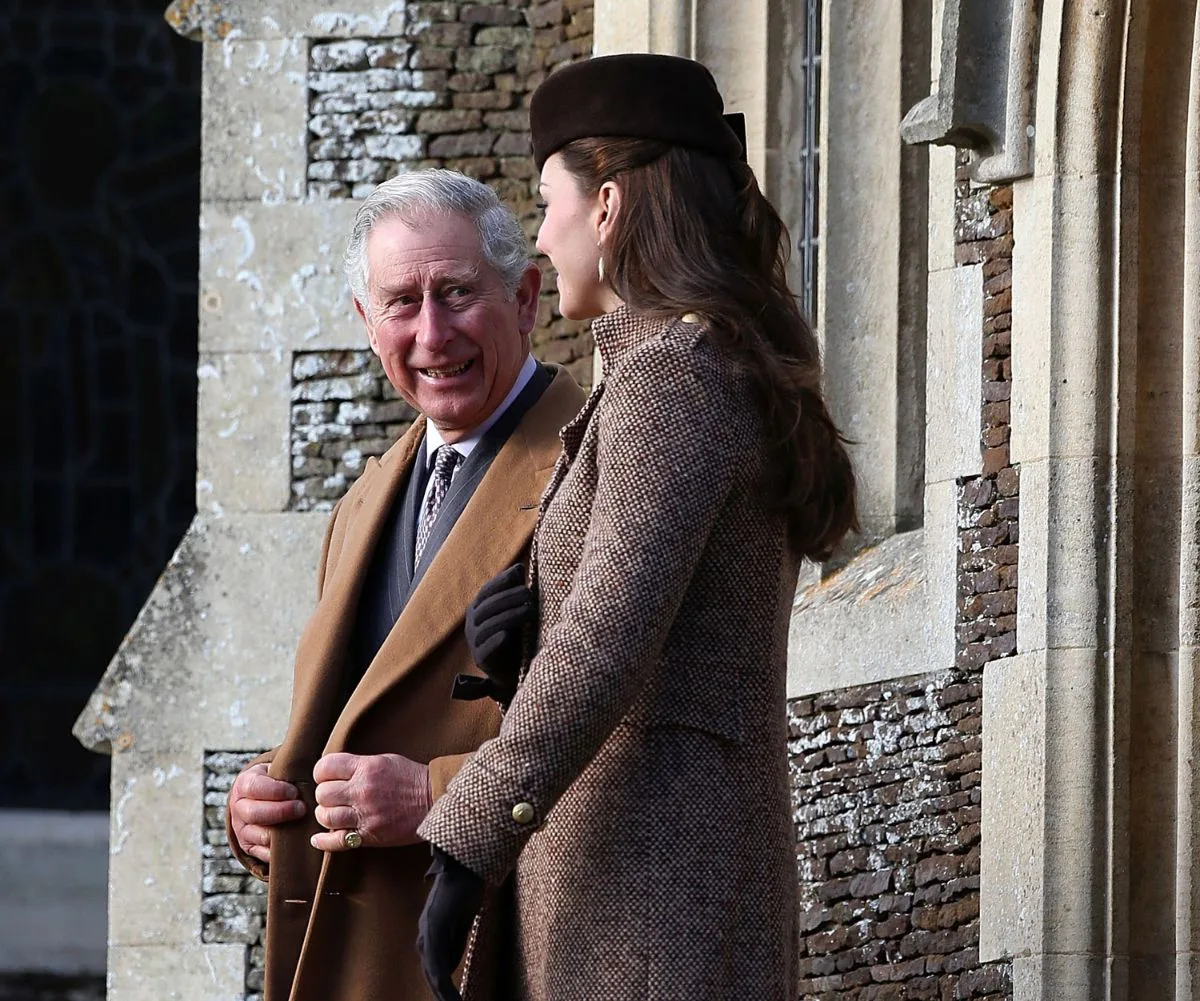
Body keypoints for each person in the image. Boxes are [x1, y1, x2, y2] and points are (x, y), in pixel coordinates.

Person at [414, 54, 860, 1001]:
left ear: (607, 206)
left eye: (549, 203)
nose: (541, 236)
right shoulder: (684, 365)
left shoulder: (673, 373)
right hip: (649, 895)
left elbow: (608, 647)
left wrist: (465, 841)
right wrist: (525, 637)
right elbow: (660, 629)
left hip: (651, 906)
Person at [223, 169, 586, 1001]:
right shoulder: (360, 502)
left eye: (457, 293)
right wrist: (265, 804)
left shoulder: (593, 465)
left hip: (501, 958)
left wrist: (432, 794)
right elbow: (363, 714)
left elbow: (629, 744)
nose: (432, 332)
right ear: (365, 321)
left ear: (524, 298)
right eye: (401, 303)